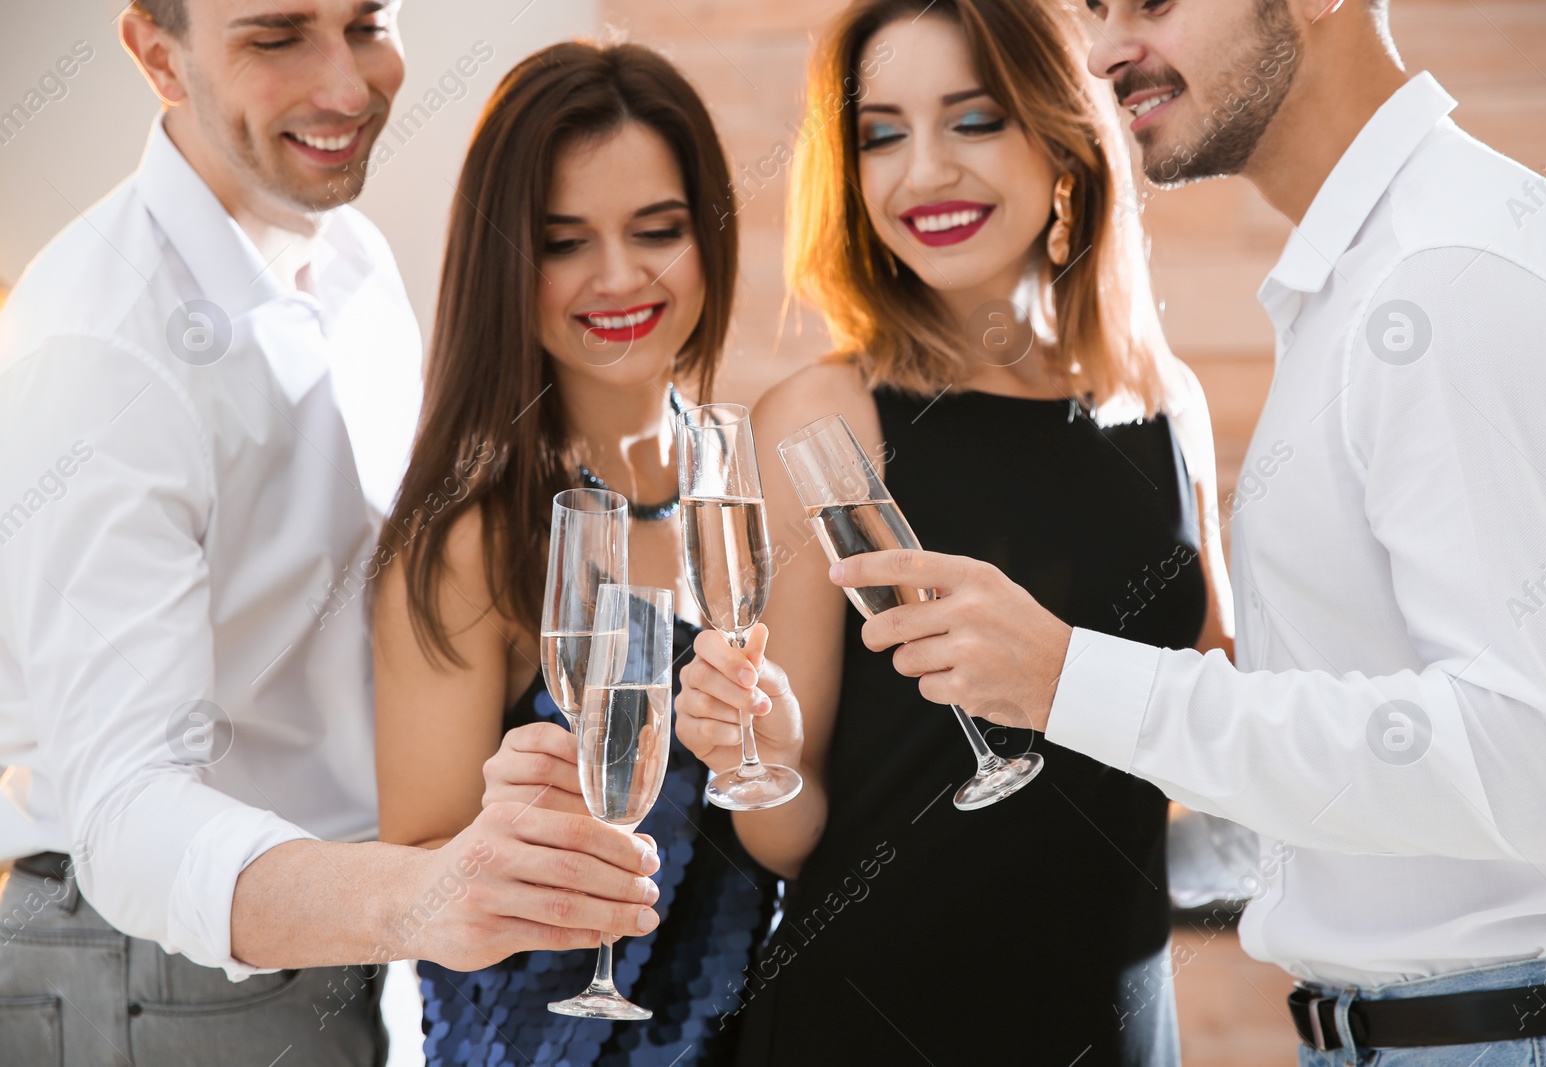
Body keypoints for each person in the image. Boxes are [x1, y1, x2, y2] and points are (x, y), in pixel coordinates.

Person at [824, 0, 1546, 1062]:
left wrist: (1067, 679)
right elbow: (1356, 760)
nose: (1100, 55)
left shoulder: (1441, 275)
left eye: (1148, 2)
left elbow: (1539, 766)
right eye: (1092, 14)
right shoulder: (1365, 281)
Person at [0, 3, 661, 1064]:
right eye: (276, 37)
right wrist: (428, 895)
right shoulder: (100, 344)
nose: (348, 88)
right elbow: (123, 818)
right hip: (155, 977)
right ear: (156, 53)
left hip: (341, 945)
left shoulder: (350, 258)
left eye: (366, 22)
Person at [675, 1, 1233, 1062]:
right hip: (872, 1025)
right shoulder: (825, 417)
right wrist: (762, 743)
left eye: (971, 120)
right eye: (880, 133)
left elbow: (1221, 721)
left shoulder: (1167, 402)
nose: (920, 171)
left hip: (1114, 1026)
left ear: (1061, 133)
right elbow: (789, 835)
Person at [371, 42, 778, 1067]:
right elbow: (415, 877)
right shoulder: (471, 536)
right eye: (563, 241)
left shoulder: (739, 495)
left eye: (658, 230)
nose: (618, 276)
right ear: (507, 261)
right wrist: (502, 827)